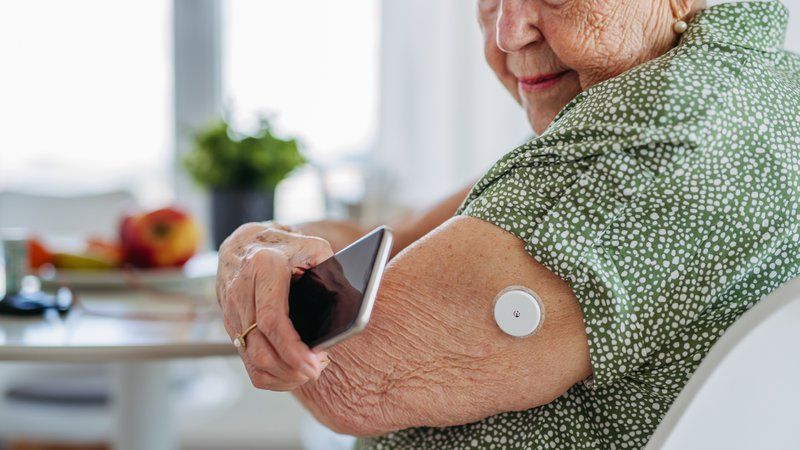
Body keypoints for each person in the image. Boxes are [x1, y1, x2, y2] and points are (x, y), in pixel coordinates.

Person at [216, 0, 800, 448]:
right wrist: (264, 248)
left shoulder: (648, 132)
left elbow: (345, 372)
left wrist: (242, 258)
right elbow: (401, 232)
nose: (507, 33)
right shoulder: (751, 80)